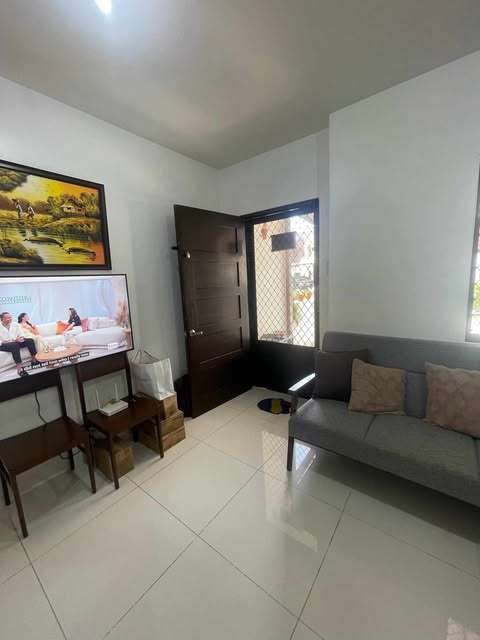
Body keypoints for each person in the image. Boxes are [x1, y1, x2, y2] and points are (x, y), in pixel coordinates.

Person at [0, 311, 38, 377]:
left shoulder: (15, 324)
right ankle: (20, 369)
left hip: (16, 342)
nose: (10, 319)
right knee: (14, 345)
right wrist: (13, 340)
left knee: (30, 340)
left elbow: (21, 334)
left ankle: (34, 360)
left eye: (10, 317)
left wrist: (20, 338)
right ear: (2, 319)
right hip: (3, 345)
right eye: (7, 318)